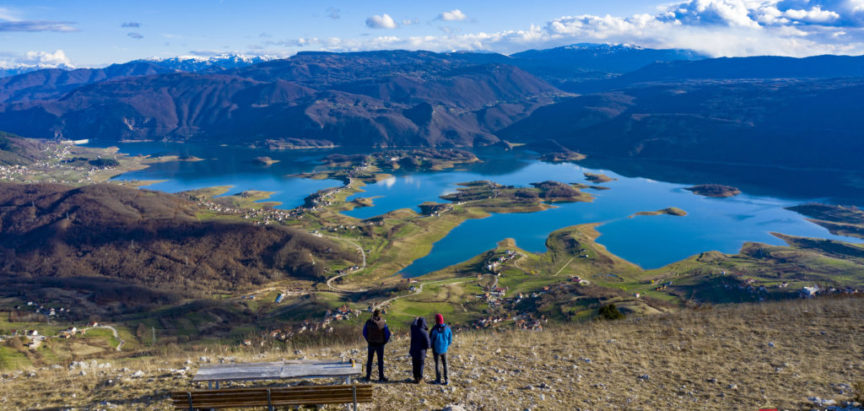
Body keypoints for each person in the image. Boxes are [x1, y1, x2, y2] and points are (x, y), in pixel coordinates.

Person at [362, 309, 391, 382]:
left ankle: (368, 376)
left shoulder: (368, 322)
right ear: (380, 314)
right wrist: (384, 342)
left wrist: (368, 340)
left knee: (369, 360)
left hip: (371, 344)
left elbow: (364, 332)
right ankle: (381, 377)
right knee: (380, 361)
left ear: (373, 314)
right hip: (380, 344)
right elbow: (387, 334)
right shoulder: (383, 323)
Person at [429, 313, 453, 385]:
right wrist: (446, 345)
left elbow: (431, 341)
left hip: (436, 350)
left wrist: (432, 346)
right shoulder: (447, 328)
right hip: (444, 349)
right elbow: (450, 340)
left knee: (437, 364)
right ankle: (446, 380)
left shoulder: (434, 330)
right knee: (445, 364)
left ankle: (438, 380)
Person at [408, 316, 431, 384]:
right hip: (421, 352)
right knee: (420, 365)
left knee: (415, 365)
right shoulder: (425, 332)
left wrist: (415, 319)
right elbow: (428, 345)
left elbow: (412, 325)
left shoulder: (414, 330)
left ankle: (415, 378)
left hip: (413, 351)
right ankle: (420, 378)